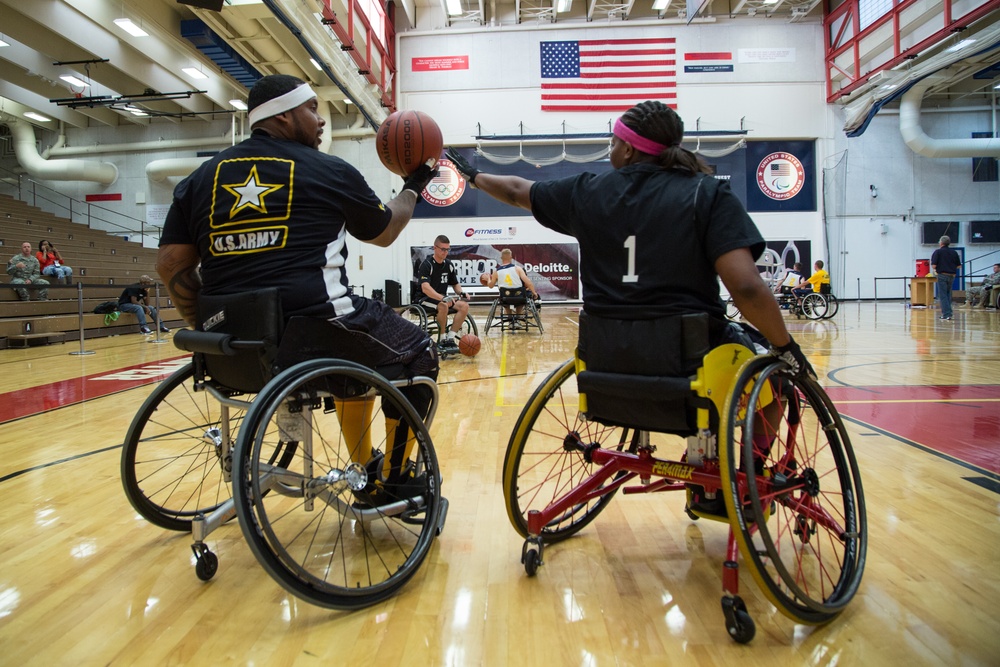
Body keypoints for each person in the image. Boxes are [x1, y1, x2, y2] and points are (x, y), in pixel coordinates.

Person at [445, 99, 813, 517]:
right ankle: (747, 475)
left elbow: (515, 190)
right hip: (688, 365)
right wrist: (785, 349)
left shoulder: (587, 192)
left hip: (606, 365)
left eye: (614, 139)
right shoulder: (706, 193)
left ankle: (711, 467)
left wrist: (472, 176)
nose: (609, 146)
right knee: (779, 383)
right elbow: (746, 287)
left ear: (631, 149)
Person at [156, 74, 439, 506]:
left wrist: (210, 331)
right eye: (311, 108)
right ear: (284, 116)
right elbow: (384, 232)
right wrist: (414, 187)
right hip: (316, 330)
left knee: (354, 362)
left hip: (235, 348)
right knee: (418, 351)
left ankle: (366, 468)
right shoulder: (328, 170)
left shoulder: (200, 180)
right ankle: (391, 480)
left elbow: (171, 265)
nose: (321, 120)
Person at [416, 234, 471, 352]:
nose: (445, 252)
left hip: (442, 298)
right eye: (443, 249)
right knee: (444, 305)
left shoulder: (449, 265)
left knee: (464, 306)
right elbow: (425, 288)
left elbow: (455, 284)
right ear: (435, 248)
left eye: (447, 249)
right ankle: (441, 339)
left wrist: (461, 293)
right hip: (425, 299)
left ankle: (450, 337)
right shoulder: (427, 265)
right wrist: (443, 298)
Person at [484, 248, 538, 326]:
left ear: (501, 258)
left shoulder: (496, 272)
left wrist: (488, 278)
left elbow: (490, 286)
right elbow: (528, 282)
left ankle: (510, 320)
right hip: (519, 298)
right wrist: (534, 293)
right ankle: (517, 320)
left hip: (505, 298)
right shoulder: (518, 269)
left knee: (506, 299)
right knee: (521, 298)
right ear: (511, 257)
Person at [930, 235, 961, 320]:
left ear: (941, 243)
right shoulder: (954, 252)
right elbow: (959, 266)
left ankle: (946, 314)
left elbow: (933, 266)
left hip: (942, 275)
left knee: (943, 295)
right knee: (948, 294)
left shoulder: (937, 252)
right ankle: (949, 313)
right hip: (952, 276)